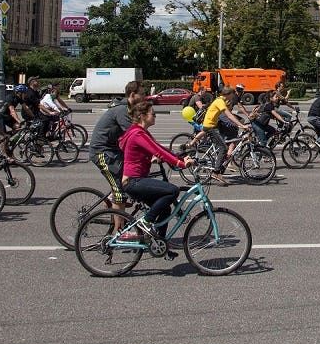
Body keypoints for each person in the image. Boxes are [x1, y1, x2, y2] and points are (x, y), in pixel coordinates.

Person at [119, 100, 195, 257]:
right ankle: (146, 222)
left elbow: (159, 149)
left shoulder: (141, 132)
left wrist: (179, 156)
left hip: (136, 180)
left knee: (165, 208)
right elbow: (158, 151)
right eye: (153, 114)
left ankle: (160, 244)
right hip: (133, 181)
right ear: (142, 116)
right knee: (172, 191)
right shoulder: (137, 134)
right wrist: (181, 164)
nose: (155, 116)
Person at [88, 80, 147, 213]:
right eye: (142, 94)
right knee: (120, 194)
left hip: (112, 149)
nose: (144, 97)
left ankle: (110, 199)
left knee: (129, 175)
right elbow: (135, 133)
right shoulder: (122, 110)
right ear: (132, 94)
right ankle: (118, 232)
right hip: (102, 152)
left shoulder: (129, 109)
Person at [200, 85, 247, 183]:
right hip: (210, 126)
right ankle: (216, 172)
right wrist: (241, 125)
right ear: (228, 94)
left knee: (227, 141)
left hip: (214, 125)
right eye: (232, 94)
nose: (233, 96)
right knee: (223, 148)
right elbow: (229, 115)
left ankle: (221, 166)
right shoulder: (220, 101)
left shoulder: (221, 100)